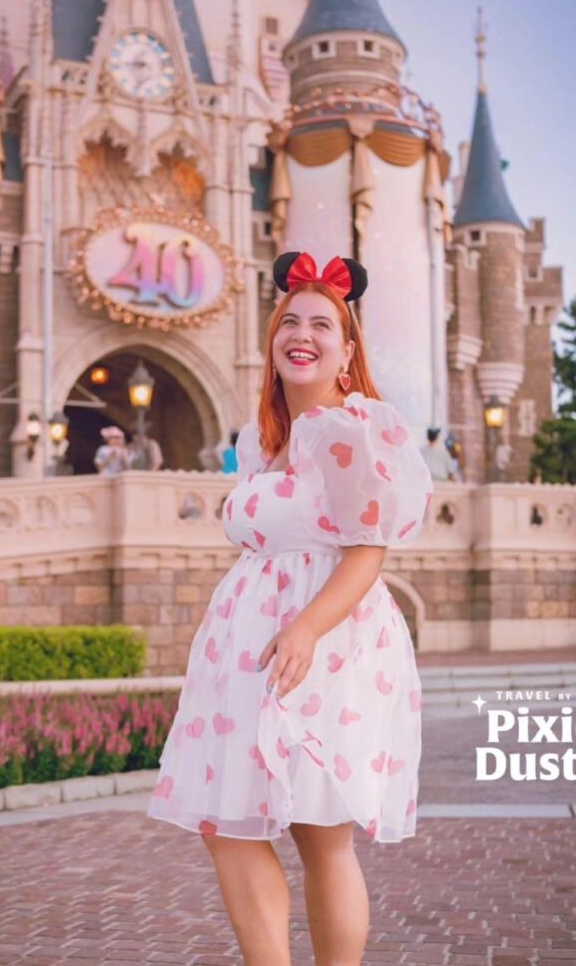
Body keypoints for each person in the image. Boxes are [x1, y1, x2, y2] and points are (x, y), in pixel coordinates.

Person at [146, 250, 433, 966]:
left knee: (319, 830)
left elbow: (370, 548)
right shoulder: (260, 441)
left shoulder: (352, 428)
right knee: (230, 825)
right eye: (290, 322)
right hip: (249, 645)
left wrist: (306, 626)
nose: (302, 334)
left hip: (323, 641)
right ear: (272, 340)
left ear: (346, 351)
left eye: (322, 325)